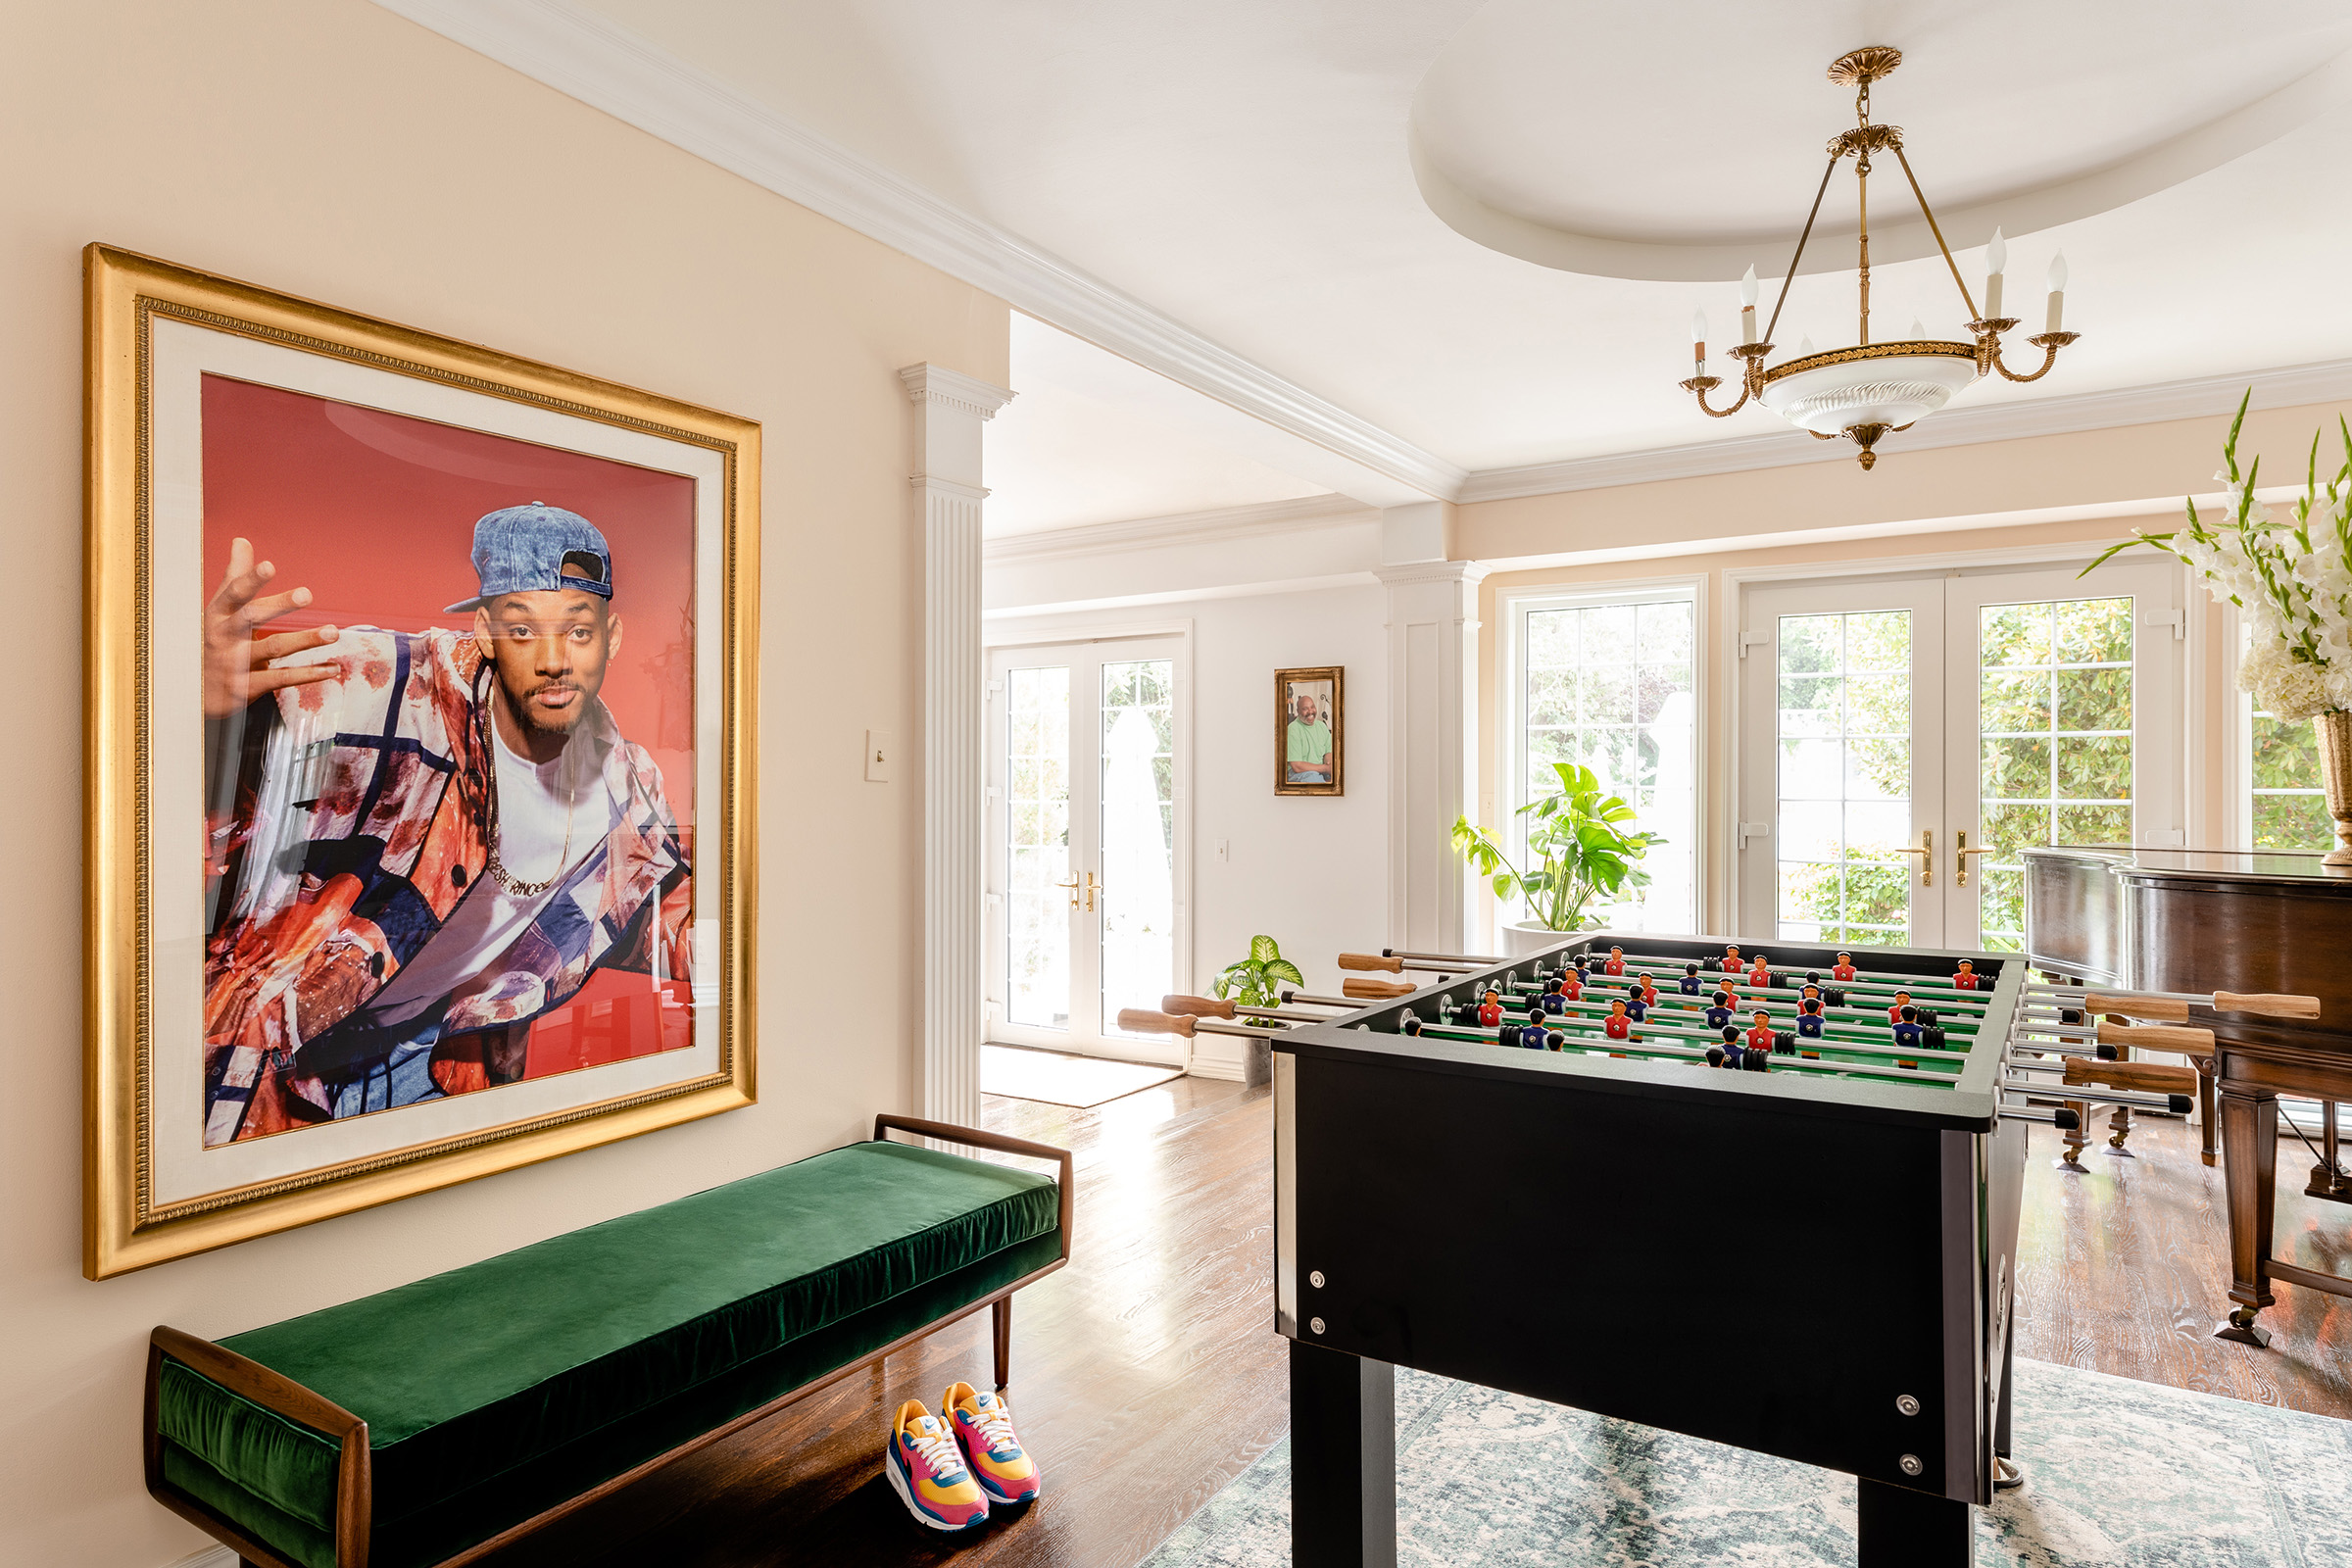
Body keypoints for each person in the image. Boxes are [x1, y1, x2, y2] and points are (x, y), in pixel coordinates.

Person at [201, 504, 692, 1146]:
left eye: (578, 630)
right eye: (523, 630)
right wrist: (199, 714)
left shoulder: (629, 788)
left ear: (612, 635)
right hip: (276, 1058)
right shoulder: (379, 686)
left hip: (431, 1060)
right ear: (485, 631)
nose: (554, 660)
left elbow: (655, 926)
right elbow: (223, 805)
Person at [1284, 688, 1334, 785]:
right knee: (1314, 779)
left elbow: (1328, 752)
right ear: (1298, 711)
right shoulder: (1293, 729)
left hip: (1321, 770)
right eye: (1305, 709)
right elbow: (1296, 766)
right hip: (1299, 773)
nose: (1310, 712)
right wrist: (1325, 768)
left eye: (1312, 707)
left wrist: (1329, 765)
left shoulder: (1322, 726)